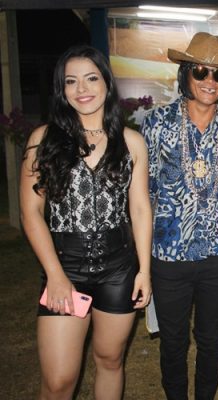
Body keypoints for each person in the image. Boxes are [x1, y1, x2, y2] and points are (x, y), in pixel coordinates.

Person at [20, 45, 152, 400]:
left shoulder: (132, 142)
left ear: (107, 84)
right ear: (61, 90)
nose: (82, 89)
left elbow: (140, 209)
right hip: (65, 265)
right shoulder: (43, 139)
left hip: (119, 269)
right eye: (71, 81)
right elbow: (31, 213)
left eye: (91, 78)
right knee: (59, 381)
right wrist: (56, 275)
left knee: (110, 360)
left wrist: (144, 271)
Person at [140, 32, 218, 400]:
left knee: (211, 340)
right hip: (168, 255)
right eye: (201, 71)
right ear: (186, 73)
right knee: (172, 342)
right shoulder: (157, 123)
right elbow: (143, 193)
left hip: (217, 256)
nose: (209, 81)